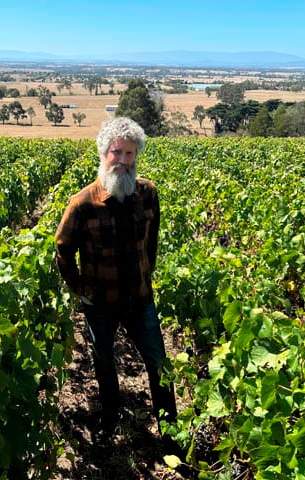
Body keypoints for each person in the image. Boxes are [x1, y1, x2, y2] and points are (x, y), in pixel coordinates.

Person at [55, 116, 177, 443]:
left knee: (159, 364)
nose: (123, 160)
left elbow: (151, 240)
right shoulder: (82, 204)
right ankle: (109, 419)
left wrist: (147, 272)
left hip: (140, 298)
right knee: (105, 362)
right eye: (116, 152)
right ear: (103, 153)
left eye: (129, 153)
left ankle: (170, 431)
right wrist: (80, 288)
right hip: (101, 303)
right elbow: (63, 248)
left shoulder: (148, 193)